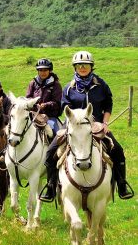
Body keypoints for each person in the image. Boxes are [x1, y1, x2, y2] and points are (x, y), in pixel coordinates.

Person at [39, 51, 133, 201]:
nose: (82, 68)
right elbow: (66, 108)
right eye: (79, 65)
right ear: (75, 67)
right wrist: (69, 125)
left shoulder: (101, 84)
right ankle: (50, 187)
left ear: (91, 67)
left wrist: (105, 123)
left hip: (96, 125)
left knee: (118, 150)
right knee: (50, 152)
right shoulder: (69, 88)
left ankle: (122, 184)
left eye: (86, 65)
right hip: (73, 124)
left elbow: (108, 104)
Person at [25, 58, 62, 134]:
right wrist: (34, 104)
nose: (43, 73)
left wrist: (45, 105)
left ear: (50, 70)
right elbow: (28, 98)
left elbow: (57, 102)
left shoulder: (56, 84)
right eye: (40, 70)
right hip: (34, 115)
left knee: (58, 135)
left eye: (45, 70)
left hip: (50, 117)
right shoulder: (32, 83)